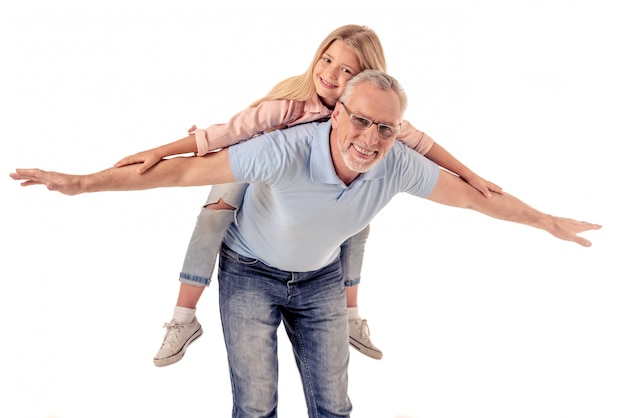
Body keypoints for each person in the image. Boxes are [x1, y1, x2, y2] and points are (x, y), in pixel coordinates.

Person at [11, 69, 601, 417]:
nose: (371, 138)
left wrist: (546, 221)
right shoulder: (285, 147)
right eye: (361, 121)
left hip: (320, 283)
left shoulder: (397, 165)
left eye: (386, 128)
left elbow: (479, 197)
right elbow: (185, 170)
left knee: (334, 404)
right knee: (257, 402)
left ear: (400, 132)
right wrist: (83, 183)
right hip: (248, 275)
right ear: (337, 113)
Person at [111, 24, 502, 365]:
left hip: (305, 188)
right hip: (257, 164)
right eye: (327, 60)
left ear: (364, 78)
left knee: (357, 224)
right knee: (216, 212)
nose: (331, 73)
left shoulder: (369, 114)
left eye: (346, 68)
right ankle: (183, 316)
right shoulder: (291, 104)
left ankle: (350, 315)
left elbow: (423, 144)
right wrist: (163, 150)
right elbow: (227, 133)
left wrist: (469, 174)